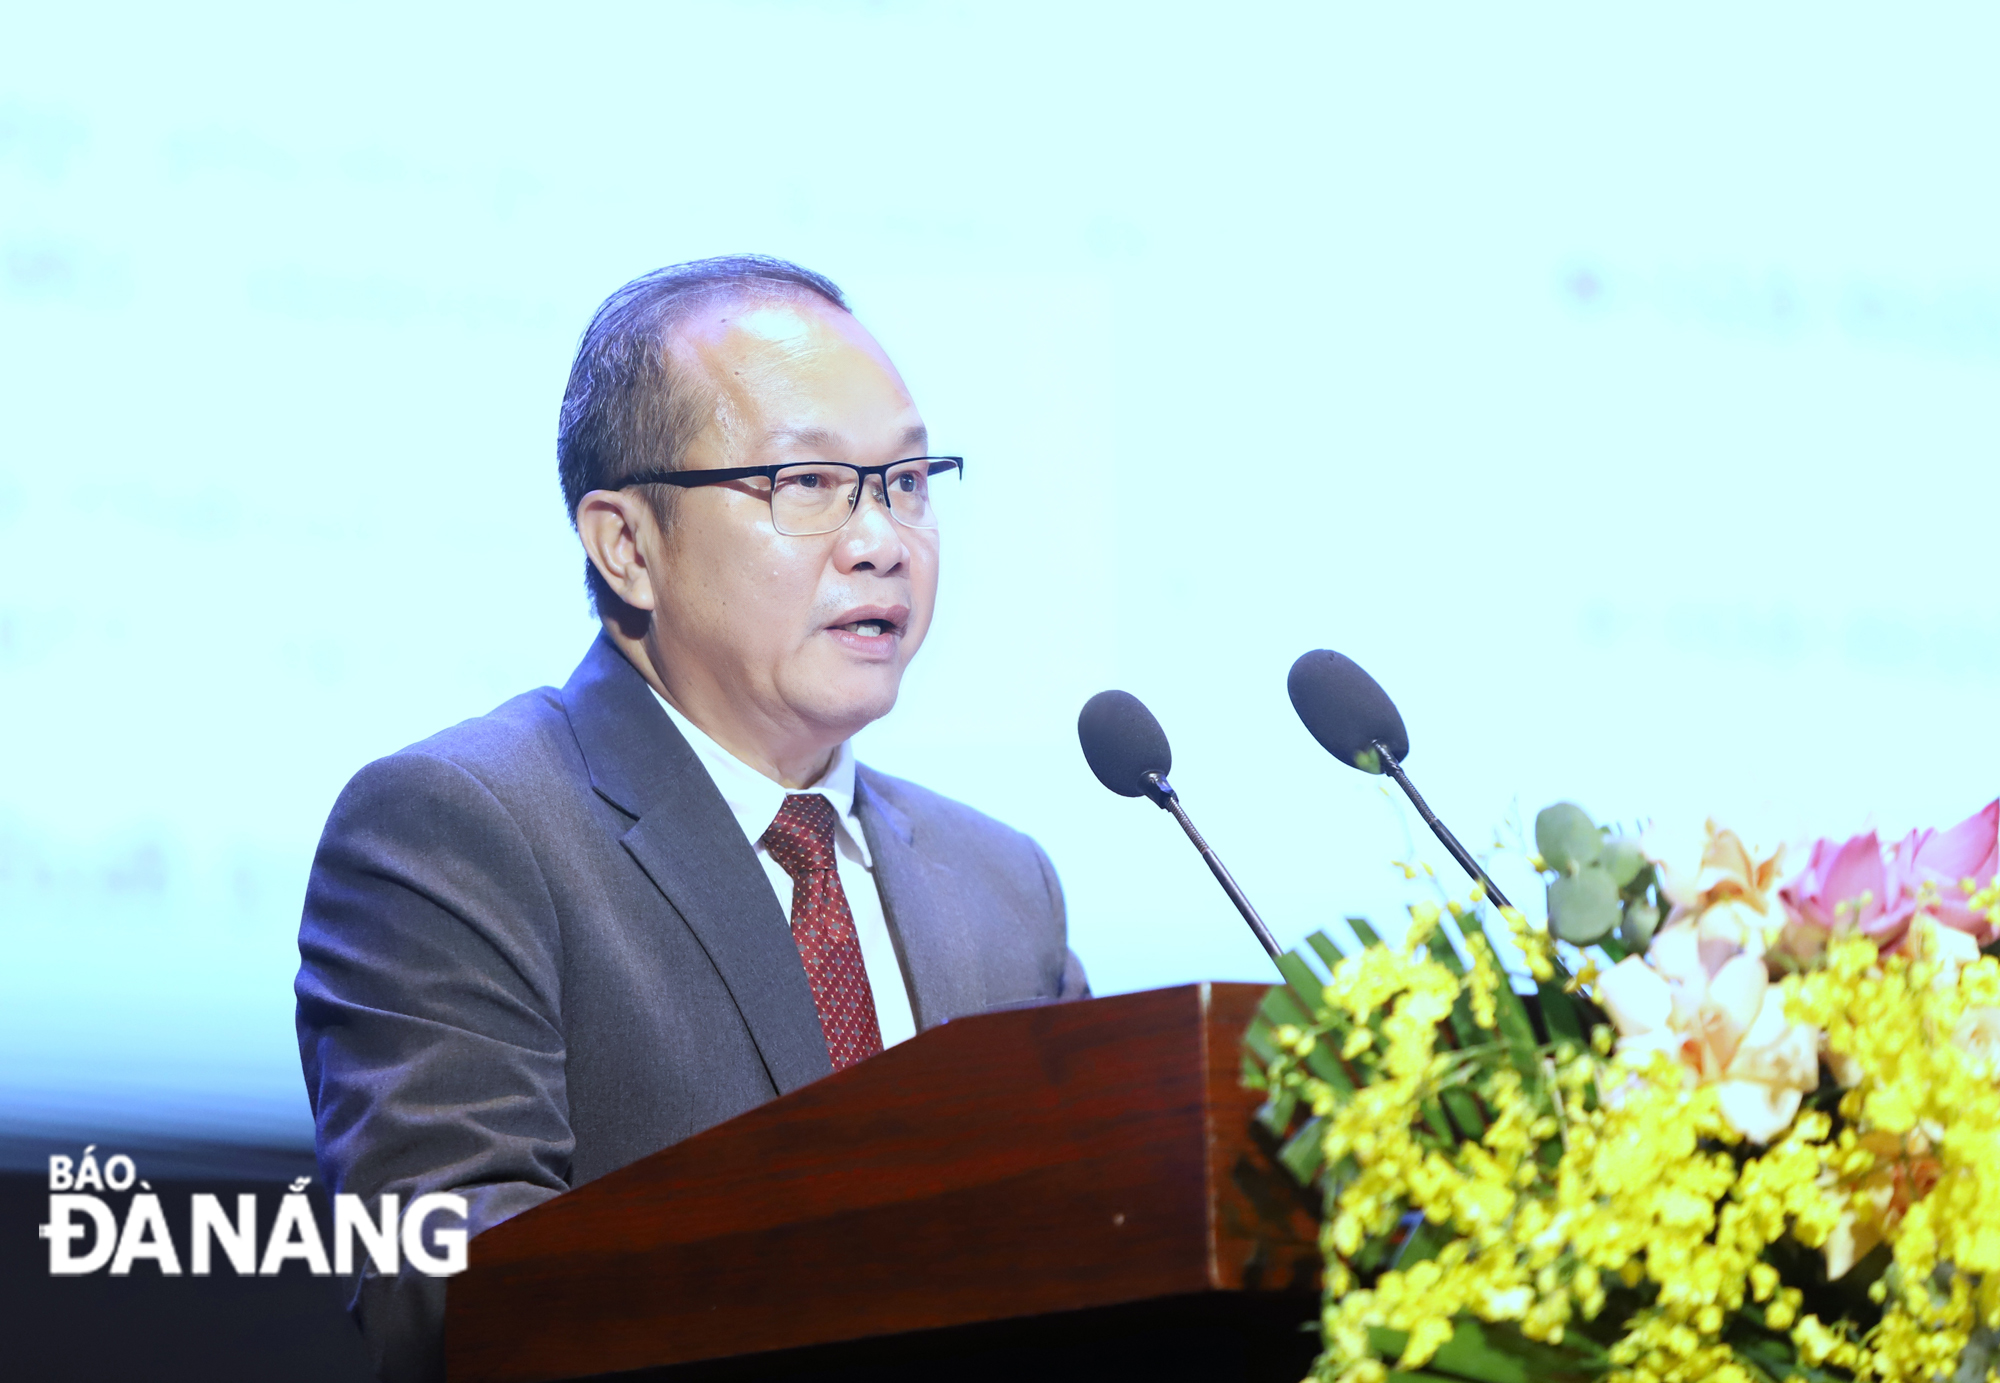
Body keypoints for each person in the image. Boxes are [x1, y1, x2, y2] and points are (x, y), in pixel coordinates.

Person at [294, 255, 1089, 1383]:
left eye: (906, 480)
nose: (881, 541)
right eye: (807, 483)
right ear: (627, 544)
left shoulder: (1001, 887)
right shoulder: (460, 833)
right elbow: (450, 1293)